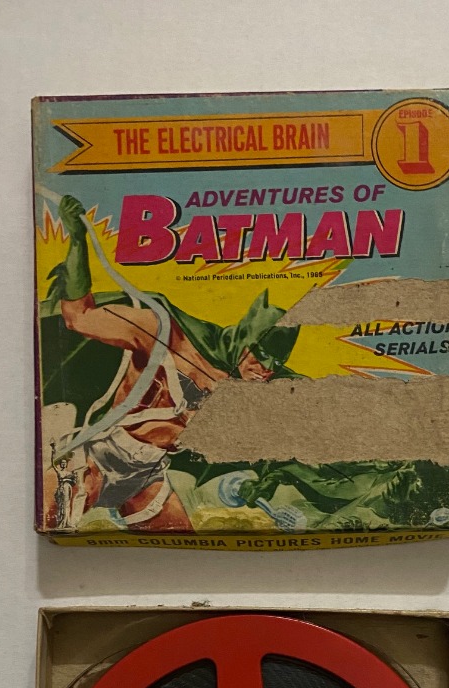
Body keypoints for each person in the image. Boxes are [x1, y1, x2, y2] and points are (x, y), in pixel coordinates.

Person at [42, 194, 299, 531]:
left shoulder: (254, 387)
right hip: (93, 456)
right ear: (244, 340)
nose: (265, 371)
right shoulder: (163, 334)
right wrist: (77, 240)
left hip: (146, 476)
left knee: (183, 538)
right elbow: (80, 316)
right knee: (55, 521)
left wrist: (264, 480)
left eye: (275, 364)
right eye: (261, 357)